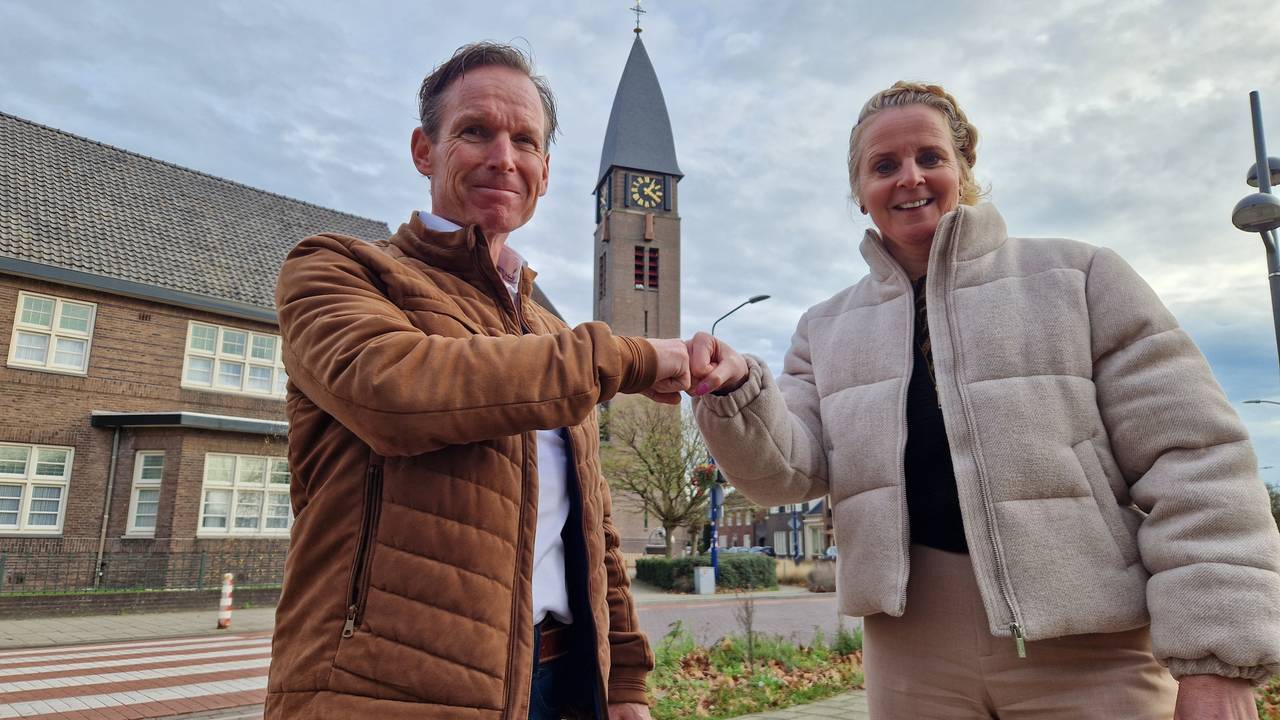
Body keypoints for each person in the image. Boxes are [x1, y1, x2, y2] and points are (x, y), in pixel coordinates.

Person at [686, 81, 1280, 719]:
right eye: (883, 166)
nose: (909, 177)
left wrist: (1218, 664)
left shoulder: (1081, 278)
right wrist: (738, 391)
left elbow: (1194, 460)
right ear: (859, 194)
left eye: (930, 157)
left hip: (1091, 649)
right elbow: (788, 473)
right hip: (913, 656)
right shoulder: (823, 328)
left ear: (964, 170)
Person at [265, 42, 685, 720]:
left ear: (545, 173)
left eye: (526, 140)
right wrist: (631, 360)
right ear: (423, 150)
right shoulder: (338, 272)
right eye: (475, 131)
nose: (504, 156)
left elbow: (594, 532)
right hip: (389, 693)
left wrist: (628, 682)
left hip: (559, 683)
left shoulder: (552, 336)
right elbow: (395, 393)